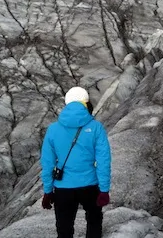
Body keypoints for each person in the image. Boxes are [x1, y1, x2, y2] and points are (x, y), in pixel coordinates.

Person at [41, 87, 112, 238]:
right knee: (94, 221)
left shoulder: (53, 129)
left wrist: (48, 191)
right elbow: (103, 161)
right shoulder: (96, 127)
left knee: (64, 228)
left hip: (63, 189)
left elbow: (47, 164)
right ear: (87, 104)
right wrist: (104, 189)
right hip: (90, 186)